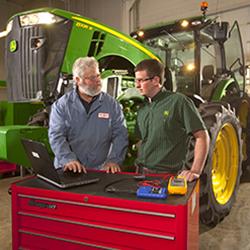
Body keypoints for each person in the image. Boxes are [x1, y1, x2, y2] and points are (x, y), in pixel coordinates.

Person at [134, 59, 210, 182]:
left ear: (156, 80)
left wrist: (195, 171)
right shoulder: (142, 107)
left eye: (140, 80)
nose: (137, 85)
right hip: (141, 173)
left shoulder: (178, 102)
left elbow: (202, 136)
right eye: (136, 80)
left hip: (167, 176)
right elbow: (141, 141)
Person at [49, 57, 128, 174]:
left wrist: (114, 160)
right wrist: (68, 159)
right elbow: (56, 136)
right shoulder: (62, 106)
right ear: (77, 80)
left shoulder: (111, 105)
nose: (98, 81)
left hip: (100, 170)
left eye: (98, 75)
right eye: (91, 78)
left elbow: (120, 134)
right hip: (68, 169)